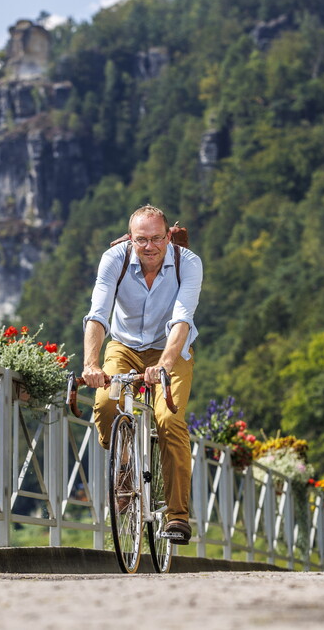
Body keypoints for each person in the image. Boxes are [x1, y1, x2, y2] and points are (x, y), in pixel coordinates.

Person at [81, 205, 203, 544]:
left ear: (168, 236)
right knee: (106, 404)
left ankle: (178, 515)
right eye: (141, 239)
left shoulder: (187, 263)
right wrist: (91, 364)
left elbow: (182, 320)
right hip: (124, 345)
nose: (150, 246)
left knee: (169, 419)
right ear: (129, 238)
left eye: (157, 238)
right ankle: (124, 466)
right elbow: (98, 315)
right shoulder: (115, 260)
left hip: (171, 349)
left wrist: (164, 364)